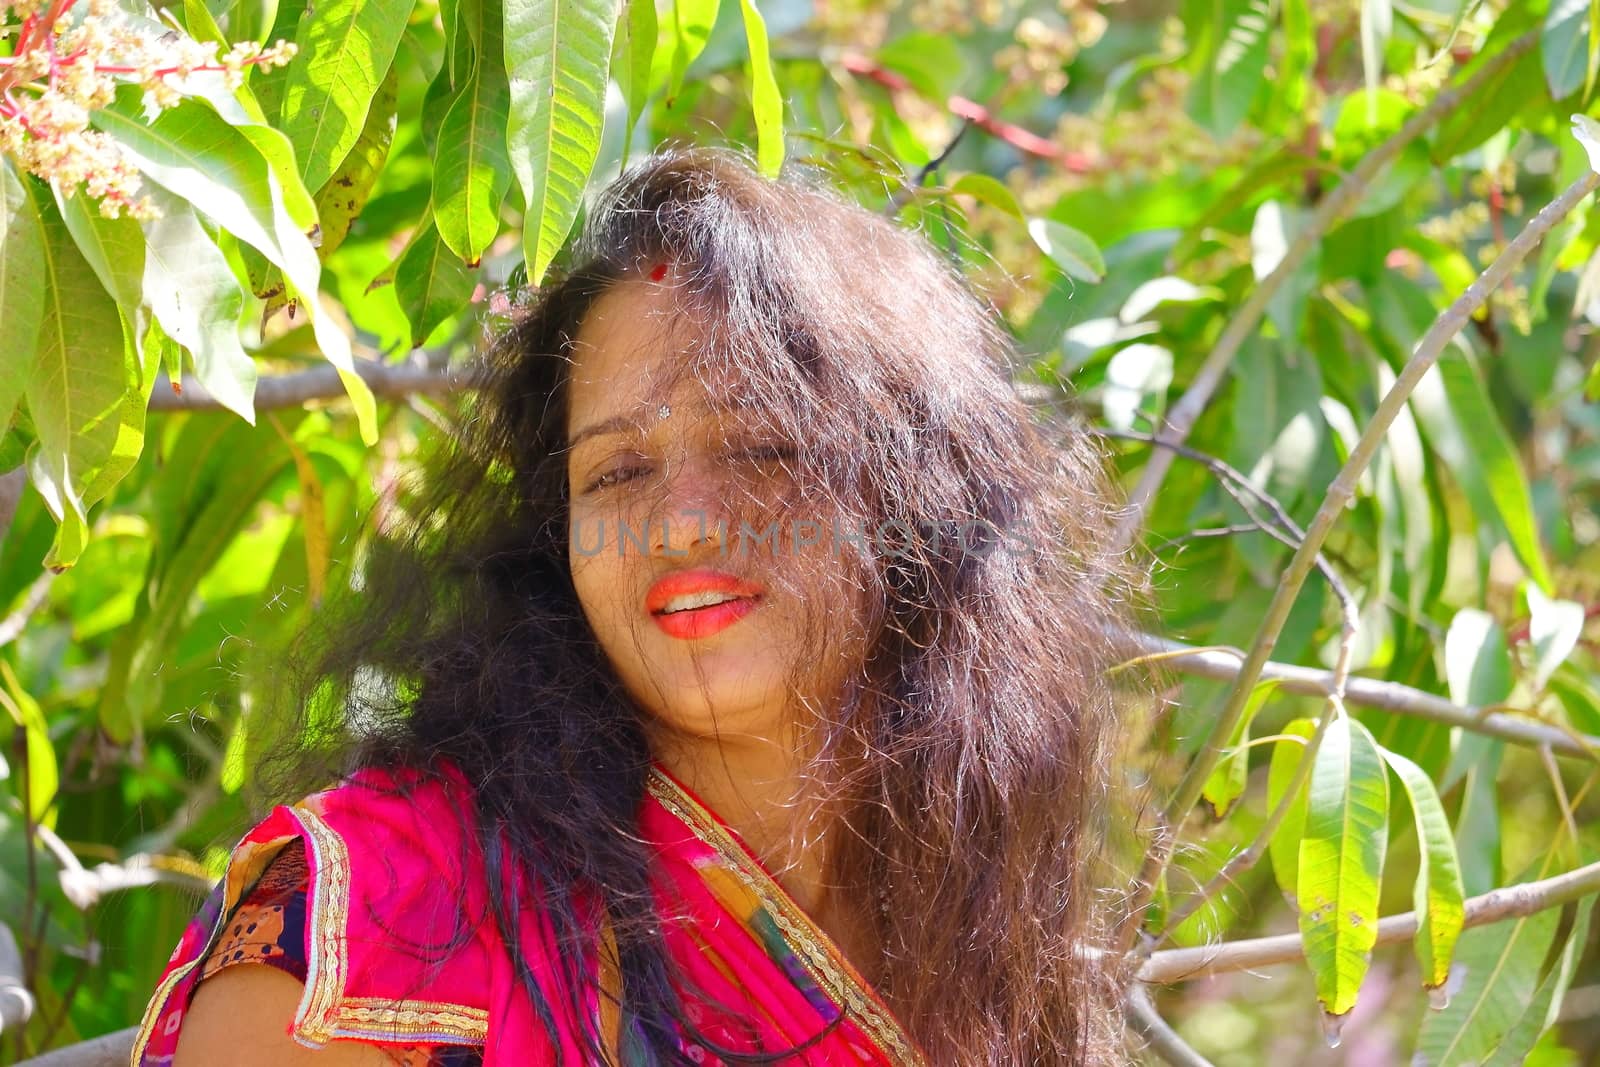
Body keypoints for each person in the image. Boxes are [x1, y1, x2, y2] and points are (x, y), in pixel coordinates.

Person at [130, 143, 1145, 1066]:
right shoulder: (369, 912)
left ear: (922, 497)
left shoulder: (982, 916)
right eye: (615, 471)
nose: (683, 525)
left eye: (762, 447)